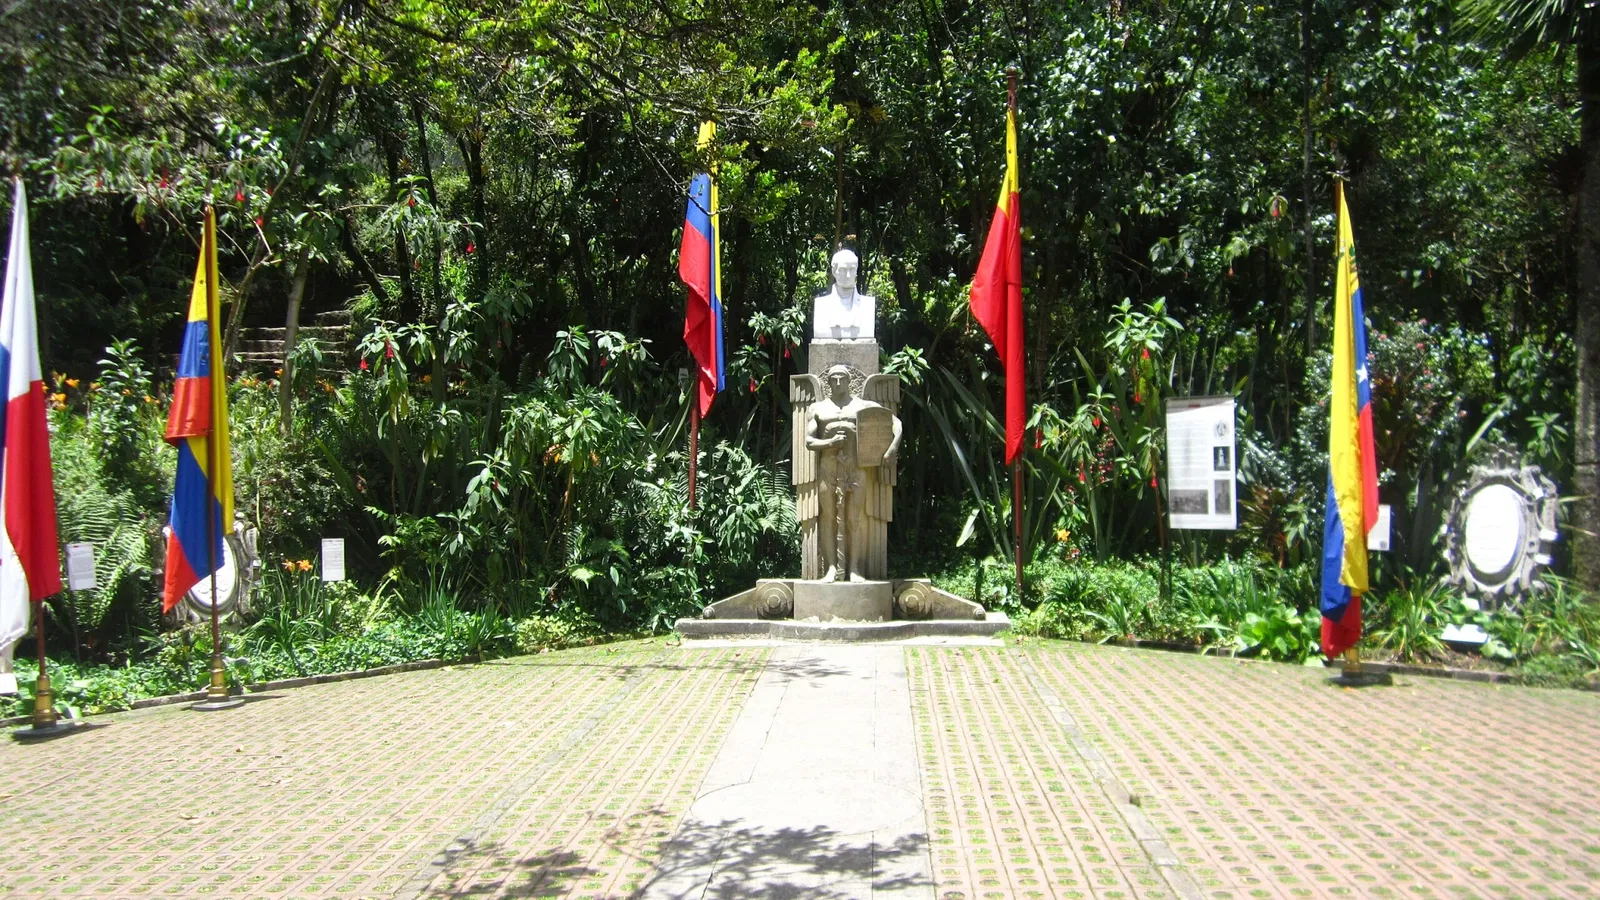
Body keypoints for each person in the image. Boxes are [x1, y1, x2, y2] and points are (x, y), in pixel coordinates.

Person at [805, 365, 901, 581]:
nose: (838, 383)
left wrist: (892, 448)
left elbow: (896, 423)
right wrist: (830, 442)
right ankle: (831, 568)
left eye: (842, 379)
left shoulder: (864, 405)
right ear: (828, 382)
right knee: (828, 517)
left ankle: (855, 568)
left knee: (854, 518)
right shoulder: (818, 408)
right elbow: (809, 441)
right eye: (834, 379)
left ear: (849, 381)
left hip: (856, 467)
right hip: (828, 467)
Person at [812, 249, 876, 340]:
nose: (848, 275)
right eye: (842, 270)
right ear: (834, 272)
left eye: (852, 269)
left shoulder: (867, 305)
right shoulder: (821, 305)